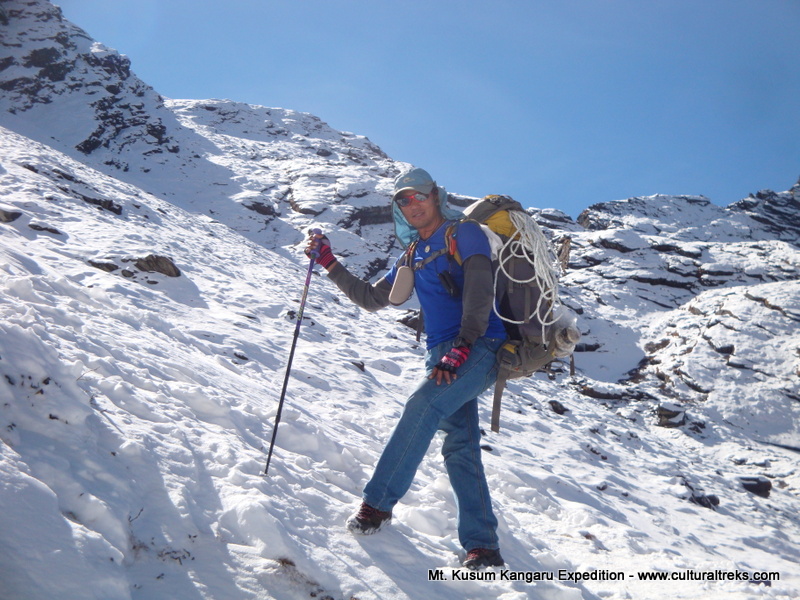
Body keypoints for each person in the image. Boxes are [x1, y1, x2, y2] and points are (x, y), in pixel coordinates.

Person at [305, 167, 508, 570]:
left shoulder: (462, 233)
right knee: (461, 446)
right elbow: (370, 298)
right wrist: (328, 261)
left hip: (479, 343)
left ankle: (377, 505)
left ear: (435, 196)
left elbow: (481, 289)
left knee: (421, 407)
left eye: (417, 196)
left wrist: (464, 345)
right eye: (402, 199)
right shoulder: (412, 254)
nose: (411, 204)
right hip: (442, 353)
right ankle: (484, 548)